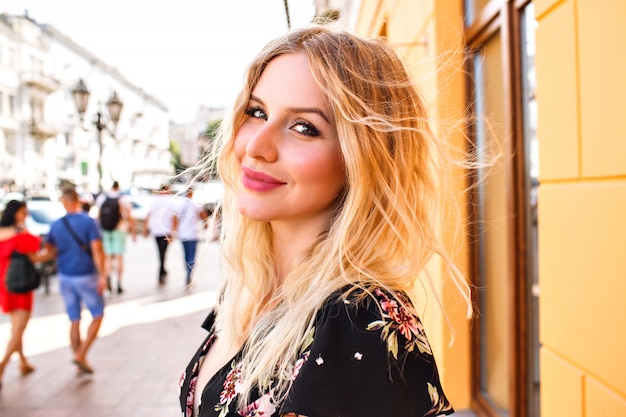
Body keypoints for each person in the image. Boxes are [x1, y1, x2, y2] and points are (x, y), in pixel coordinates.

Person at [178, 27, 472, 417]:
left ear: (360, 159)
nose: (256, 146)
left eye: (304, 127)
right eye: (257, 112)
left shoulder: (361, 318)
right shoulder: (246, 286)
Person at [46, 187, 106, 375]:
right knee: (97, 315)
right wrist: (103, 275)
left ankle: (79, 359)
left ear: (64, 202)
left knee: (74, 320)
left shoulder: (56, 225)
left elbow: (50, 252)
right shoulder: (89, 222)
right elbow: (97, 250)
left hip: (65, 276)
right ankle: (81, 354)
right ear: (78, 200)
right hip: (86, 275)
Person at [0, 200, 49, 388]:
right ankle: (2, 365)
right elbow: (36, 250)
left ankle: (22, 361)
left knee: (15, 325)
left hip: (3, 283)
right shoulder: (20, 234)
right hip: (19, 282)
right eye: (24, 212)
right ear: (16, 213)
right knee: (20, 327)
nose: (26, 215)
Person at [95, 181, 136, 294]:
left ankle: (108, 276)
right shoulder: (122, 199)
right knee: (119, 257)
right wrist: (133, 232)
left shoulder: (102, 198)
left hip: (106, 230)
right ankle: (119, 282)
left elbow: (98, 216)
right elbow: (129, 215)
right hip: (119, 230)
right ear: (118, 187)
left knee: (108, 257)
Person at [171, 188, 208, 286]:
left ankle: (188, 274)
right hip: (192, 234)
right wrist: (206, 224)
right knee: (191, 256)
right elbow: (203, 214)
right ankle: (189, 275)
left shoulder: (180, 204)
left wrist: (174, 231)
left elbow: (175, 218)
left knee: (186, 256)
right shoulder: (194, 204)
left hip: (183, 234)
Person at [143, 184, 175, 285]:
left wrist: (146, 228)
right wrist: (172, 232)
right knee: (163, 253)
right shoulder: (169, 200)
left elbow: (148, 215)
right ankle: (161, 274)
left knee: (161, 253)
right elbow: (174, 218)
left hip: (156, 231)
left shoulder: (155, 200)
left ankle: (163, 272)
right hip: (166, 231)